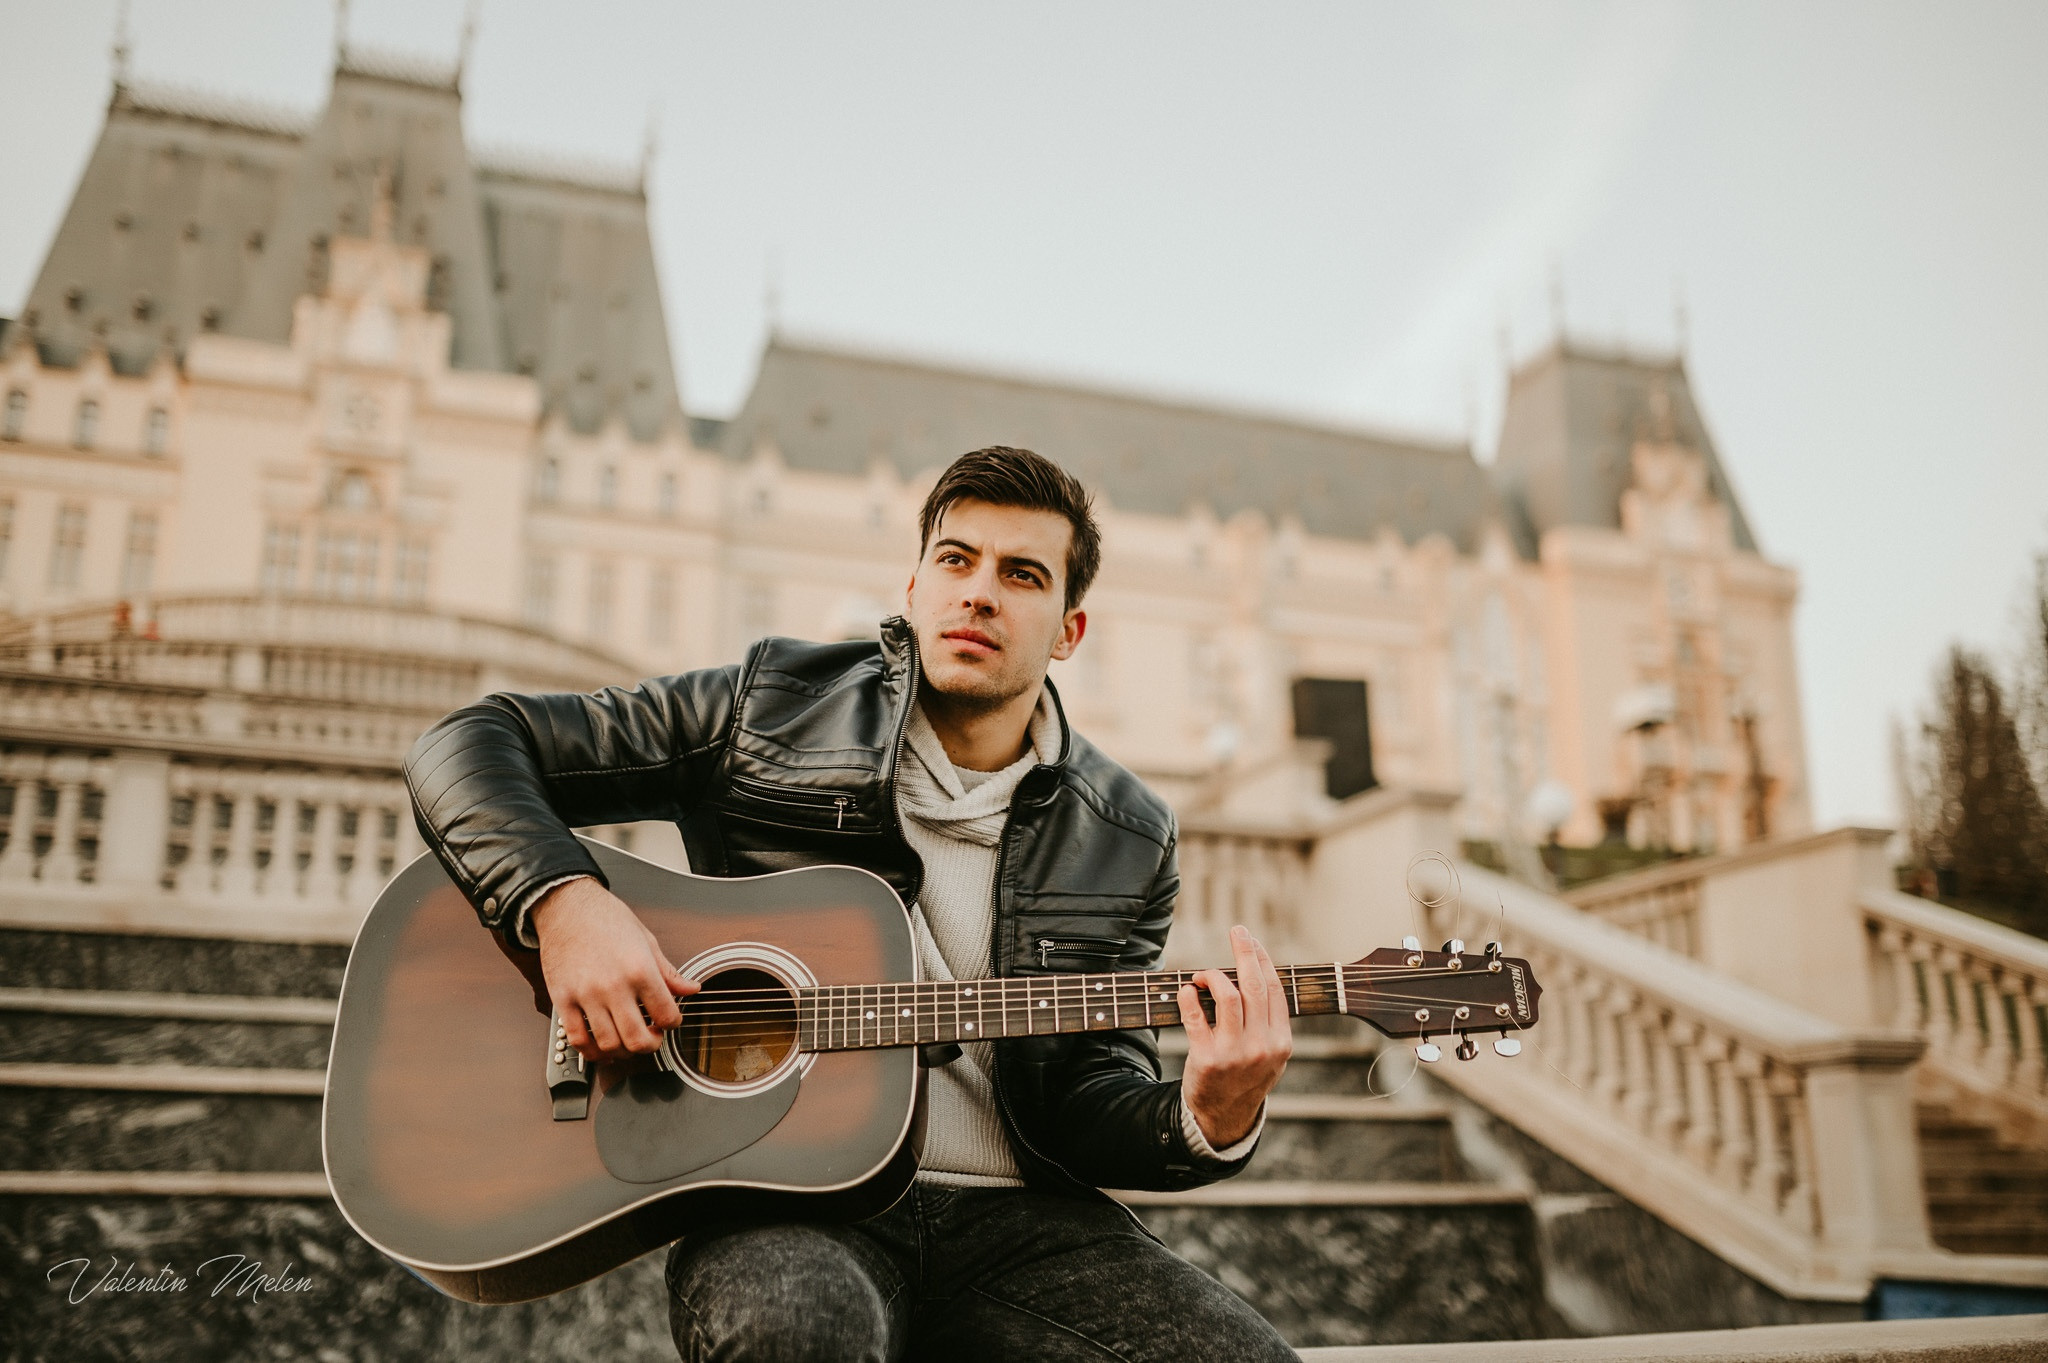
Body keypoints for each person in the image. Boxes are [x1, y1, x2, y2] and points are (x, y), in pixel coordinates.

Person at [405, 446, 1299, 1361]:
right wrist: (563, 904)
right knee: (798, 1333)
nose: (979, 593)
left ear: (1069, 630)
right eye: (957, 560)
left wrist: (1207, 1115)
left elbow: (1087, 1099)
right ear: (914, 588)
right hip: (786, 1198)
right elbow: (470, 742)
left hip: (1024, 1225)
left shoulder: (1128, 831)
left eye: (1021, 575)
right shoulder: (769, 707)